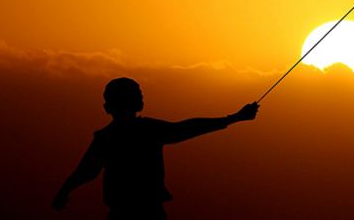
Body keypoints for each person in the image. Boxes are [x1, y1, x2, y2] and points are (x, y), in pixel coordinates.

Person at [52, 77, 259, 219]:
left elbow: (86, 172)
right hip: (150, 213)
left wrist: (64, 191)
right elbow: (185, 129)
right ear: (138, 103)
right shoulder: (147, 130)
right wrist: (234, 118)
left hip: (120, 214)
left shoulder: (106, 137)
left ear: (107, 107)